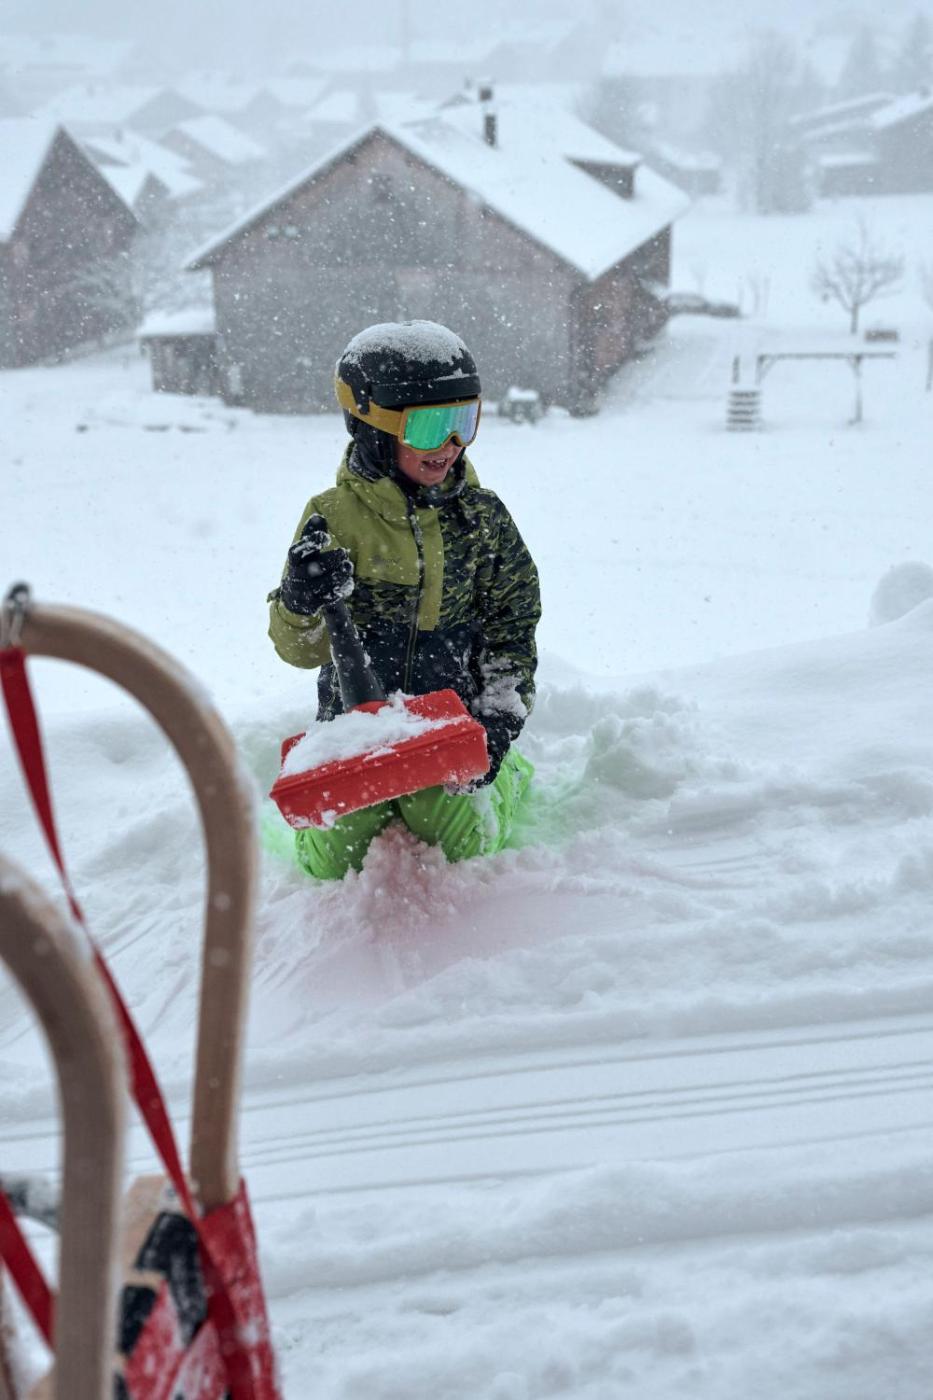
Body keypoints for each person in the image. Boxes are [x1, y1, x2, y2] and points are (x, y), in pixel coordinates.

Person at [268, 319, 541, 880]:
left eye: (464, 423)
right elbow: (299, 649)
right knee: (334, 861)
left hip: (452, 726)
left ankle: (511, 778)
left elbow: (512, 625)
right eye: (431, 427)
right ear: (374, 428)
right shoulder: (332, 518)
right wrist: (299, 601)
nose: (450, 446)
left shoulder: (483, 520)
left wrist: (496, 721)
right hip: (355, 727)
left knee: (455, 840)